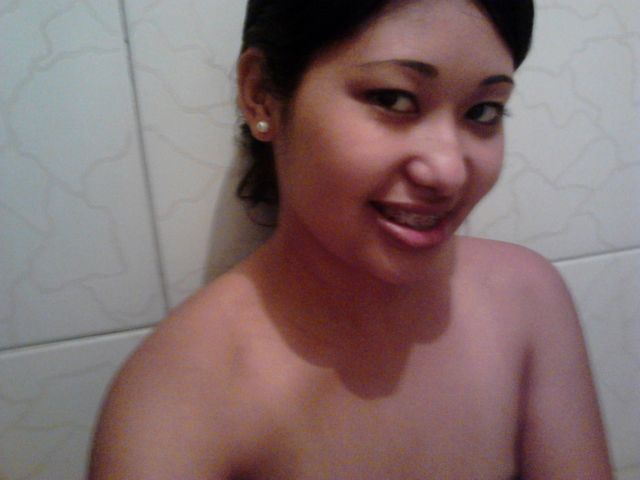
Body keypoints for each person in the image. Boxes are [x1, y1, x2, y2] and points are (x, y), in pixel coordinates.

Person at [89, 0, 613, 478]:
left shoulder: (526, 300)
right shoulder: (176, 399)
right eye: (393, 99)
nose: (449, 171)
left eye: (483, 111)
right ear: (261, 95)